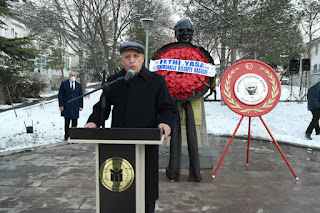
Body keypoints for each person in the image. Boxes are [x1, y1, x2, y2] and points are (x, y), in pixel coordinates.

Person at [84, 41, 177, 213]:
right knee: (120, 189)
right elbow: (102, 107)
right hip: (118, 146)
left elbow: (167, 108)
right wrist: (94, 121)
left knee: (146, 191)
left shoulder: (156, 81)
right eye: (127, 57)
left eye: (136, 56)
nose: (132, 60)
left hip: (146, 146)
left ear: (143, 58)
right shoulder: (114, 81)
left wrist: (165, 122)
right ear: (121, 60)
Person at [58, 71, 83, 141]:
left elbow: (81, 96)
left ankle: (73, 136)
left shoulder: (78, 85)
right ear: (69, 76)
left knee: (75, 122)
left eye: (74, 75)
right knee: (67, 122)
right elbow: (60, 95)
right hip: (67, 106)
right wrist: (61, 105)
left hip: (75, 106)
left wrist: (81, 105)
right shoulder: (64, 84)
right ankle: (66, 136)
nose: (73, 76)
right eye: (72, 75)